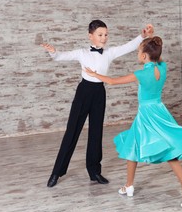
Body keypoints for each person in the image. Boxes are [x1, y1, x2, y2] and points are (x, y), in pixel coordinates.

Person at [84, 36, 182, 207]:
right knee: (138, 145)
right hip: (159, 110)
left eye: (139, 52)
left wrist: (94, 74)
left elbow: (113, 81)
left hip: (147, 114)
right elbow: (157, 55)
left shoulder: (141, 74)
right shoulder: (163, 67)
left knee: (154, 149)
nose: (137, 54)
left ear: (145, 56)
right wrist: (151, 40)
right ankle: (130, 186)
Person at [41, 20, 154, 188]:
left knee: (96, 132)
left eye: (106, 34)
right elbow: (62, 56)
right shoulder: (82, 53)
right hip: (84, 92)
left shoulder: (109, 52)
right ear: (90, 36)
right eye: (100, 35)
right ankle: (57, 172)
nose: (104, 38)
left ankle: (94, 171)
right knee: (72, 131)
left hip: (99, 92)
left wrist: (142, 36)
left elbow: (128, 46)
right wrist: (53, 52)